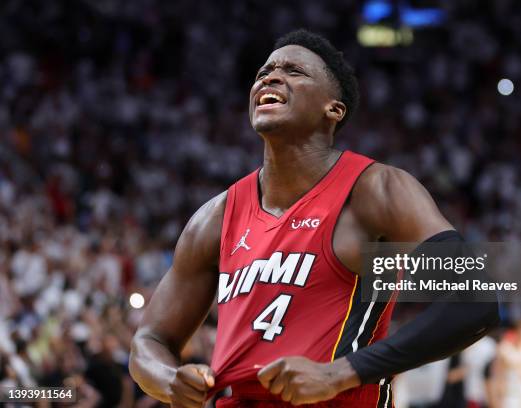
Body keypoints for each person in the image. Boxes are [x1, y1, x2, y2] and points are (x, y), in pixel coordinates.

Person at [129, 29, 499, 407]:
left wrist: (338, 373)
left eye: (294, 71)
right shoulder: (214, 216)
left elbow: (476, 304)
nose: (271, 77)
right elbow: (150, 341)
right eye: (264, 72)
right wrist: (171, 379)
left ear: (333, 109)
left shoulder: (377, 190)